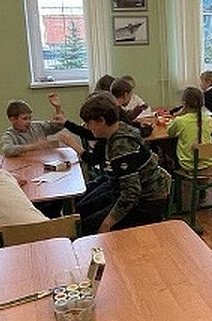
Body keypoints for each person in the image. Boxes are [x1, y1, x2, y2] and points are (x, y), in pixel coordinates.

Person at [62, 94, 171, 234]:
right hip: (125, 190)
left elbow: (131, 194)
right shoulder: (118, 129)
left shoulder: (121, 147)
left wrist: (106, 224)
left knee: (87, 226)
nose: (86, 127)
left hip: (147, 201)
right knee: (82, 209)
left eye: (89, 123)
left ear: (102, 121)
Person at [1, 94, 66, 157]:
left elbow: (58, 126)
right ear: (12, 120)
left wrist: (58, 108)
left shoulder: (37, 126)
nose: (28, 121)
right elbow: (8, 150)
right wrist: (36, 146)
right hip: (23, 162)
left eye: (30, 118)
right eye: (25, 118)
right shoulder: (9, 134)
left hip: (40, 161)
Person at [168, 87, 212, 173]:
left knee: (168, 146)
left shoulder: (180, 120)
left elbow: (170, 133)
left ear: (184, 103)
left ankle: (173, 174)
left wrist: (176, 115)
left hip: (188, 164)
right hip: (208, 162)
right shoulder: (208, 119)